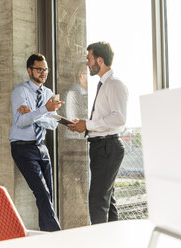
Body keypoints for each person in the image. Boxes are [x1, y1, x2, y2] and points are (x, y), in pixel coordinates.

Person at [68, 41, 128, 224]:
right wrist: (85, 125)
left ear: (99, 60)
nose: (87, 64)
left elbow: (119, 119)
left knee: (97, 201)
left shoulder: (114, 84)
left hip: (108, 146)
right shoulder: (104, 84)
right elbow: (105, 117)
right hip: (100, 146)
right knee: (107, 200)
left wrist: (88, 125)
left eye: (89, 59)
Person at [9, 53, 64, 231]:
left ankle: (47, 237)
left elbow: (53, 124)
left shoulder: (48, 93)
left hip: (41, 147)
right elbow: (21, 122)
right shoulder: (20, 91)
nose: (43, 73)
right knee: (42, 193)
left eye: (45, 69)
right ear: (29, 70)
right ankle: (58, 237)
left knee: (49, 195)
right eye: (39, 69)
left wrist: (35, 113)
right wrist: (43, 111)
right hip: (22, 147)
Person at [64, 62, 88, 139]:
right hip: (76, 139)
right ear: (81, 75)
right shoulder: (73, 93)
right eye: (88, 73)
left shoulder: (88, 93)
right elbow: (73, 120)